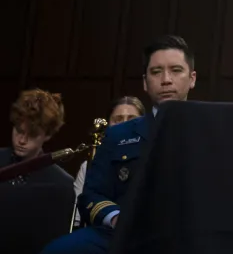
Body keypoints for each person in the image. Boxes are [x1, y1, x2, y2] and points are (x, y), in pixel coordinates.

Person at [42, 35, 197, 254]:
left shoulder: (210, 131)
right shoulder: (117, 135)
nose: (166, 80)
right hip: (122, 235)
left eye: (175, 70)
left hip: (188, 235)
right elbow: (92, 196)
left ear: (192, 78)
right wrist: (116, 218)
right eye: (156, 72)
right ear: (145, 82)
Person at [70, 98, 144, 228]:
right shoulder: (89, 164)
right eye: (118, 120)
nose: (124, 125)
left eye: (132, 119)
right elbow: (78, 215)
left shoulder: (151, 157)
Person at [3, 88, 74, 189]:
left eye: (32, 135)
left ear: (48, 135)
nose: (22, 141)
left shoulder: (60, 183)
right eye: (19, 131)